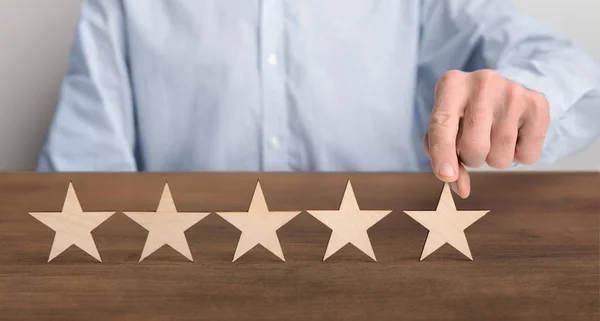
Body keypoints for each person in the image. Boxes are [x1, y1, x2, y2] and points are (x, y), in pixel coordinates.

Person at [37, 0, 600, 199]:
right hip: (182, 294)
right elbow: (76, 186)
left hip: (390, 292)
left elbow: (582, 86)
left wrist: (522, 98)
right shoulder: (118, 5)